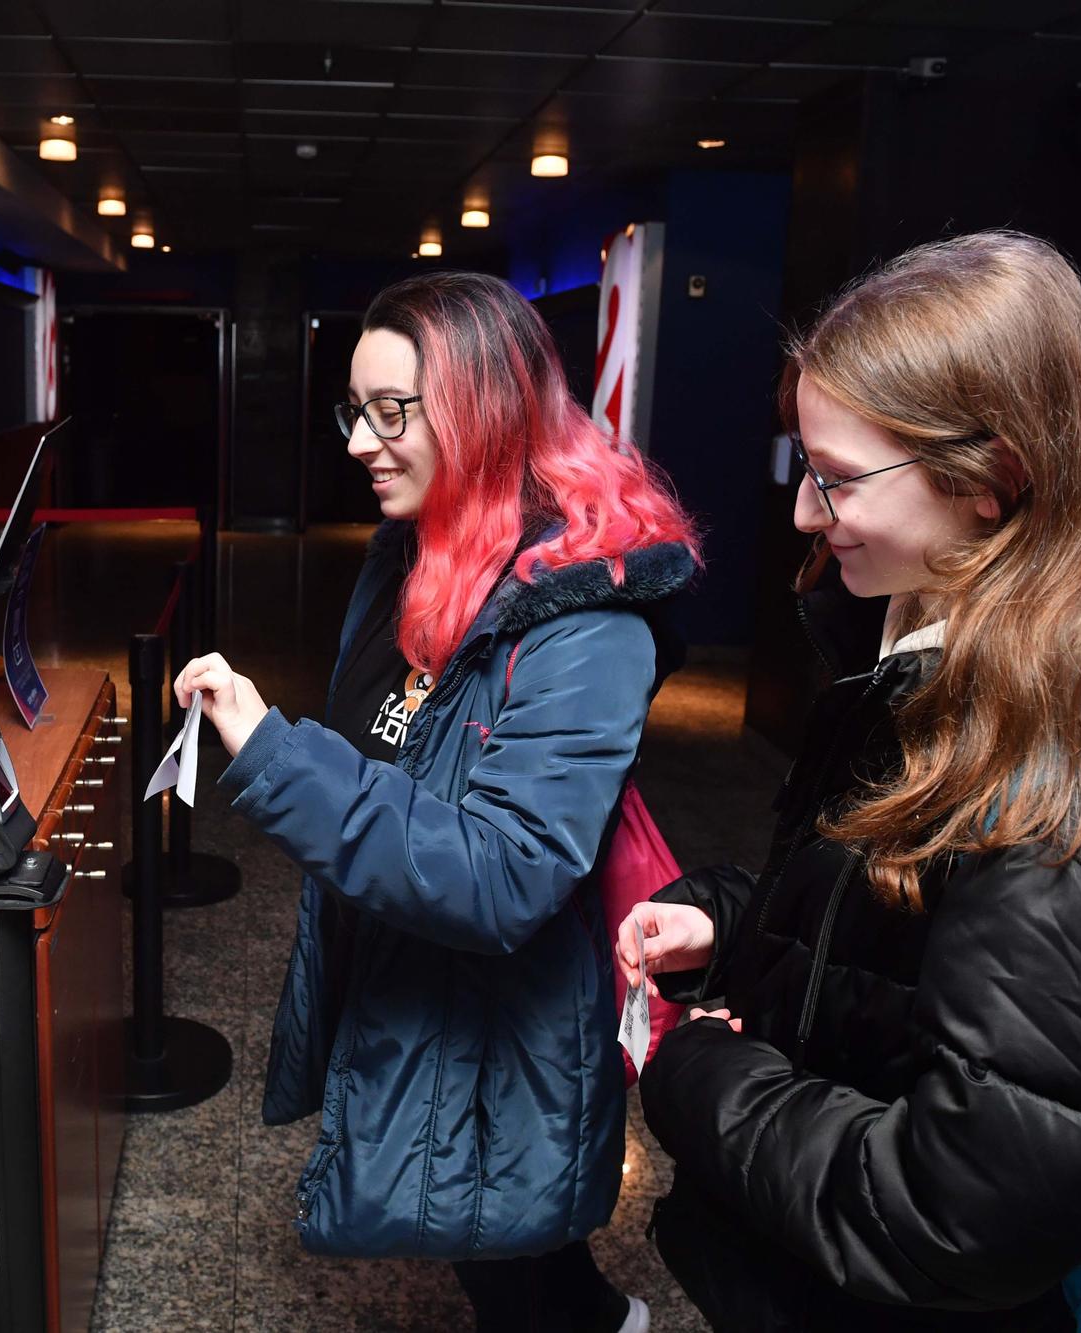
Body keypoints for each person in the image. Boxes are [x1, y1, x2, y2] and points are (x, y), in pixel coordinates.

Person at [618, 231, 1081, 1330]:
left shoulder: (1060, 802)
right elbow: (905, 946)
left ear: (988, 478)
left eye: (837, 480)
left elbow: (959, 1222)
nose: (803, 513)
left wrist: (701, 1075)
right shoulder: (940, 655)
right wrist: (735, 921)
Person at [175, 271, 698, 1333]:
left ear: (484, 409)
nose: (362, 441)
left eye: (391, 412)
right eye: (353, 412)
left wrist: (274, 754)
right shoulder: (408, 556)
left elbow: (503, 874)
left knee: (511, 1253)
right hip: (415, 972)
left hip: (506, 1011)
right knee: (490, 1248)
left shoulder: (586, 618)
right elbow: (394, 749)